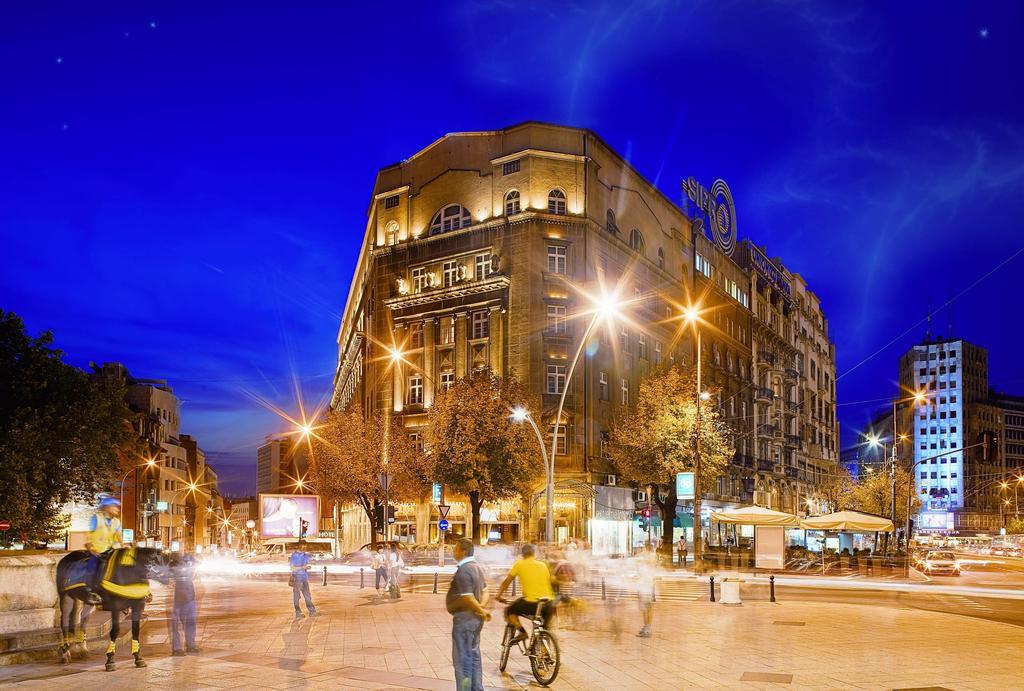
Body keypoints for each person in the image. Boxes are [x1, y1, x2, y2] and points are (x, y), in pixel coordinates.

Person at [446, 537, 490, 691]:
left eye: (455, 548)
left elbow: (468, 597)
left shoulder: (464, 570)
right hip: (475, 620)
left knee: (462, 660)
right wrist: (482, 608)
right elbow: (486, 591)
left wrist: (480, 609)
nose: (453, 551)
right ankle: (477, 688)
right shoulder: (477, 567)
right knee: (474, 656)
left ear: (462, 551)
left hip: (464, 619)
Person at [496, 544, 555, 644]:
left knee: (509, 610)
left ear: (522, 554)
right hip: (548, 603)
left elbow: (506, 582)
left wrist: (498, 595)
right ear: (533, 553)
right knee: (545, 629)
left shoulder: (519, 564)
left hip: (531, 603)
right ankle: (546, 654)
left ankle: (522, 632)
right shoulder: (542, 565)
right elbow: (549, 581)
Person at [84, 495, 123, 604]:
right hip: (97, 550)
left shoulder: (116, 521)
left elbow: (119, 536)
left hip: (110, 549)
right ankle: (90, 590)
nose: (117, 509)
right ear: (106, 507)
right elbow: (89, 534)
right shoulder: (96, 518)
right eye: (114, 507)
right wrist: (91, 548)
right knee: (94, 565)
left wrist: (124, 545)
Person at [170, 555, 200, 656]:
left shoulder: (190, 559)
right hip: (176, 598)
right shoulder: (172, 562)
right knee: (175, 624)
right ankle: (177, 648)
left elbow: (198, 563)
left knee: (191, 621)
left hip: (189, 596)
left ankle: (190, 644)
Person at [289, 540, 319, 618]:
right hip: (297, 578)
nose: (305, 548)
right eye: (303, 546)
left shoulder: (305, 555)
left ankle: (312, 611)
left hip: (304, 577)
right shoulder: (294, 556)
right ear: (299, 546)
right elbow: (292, 568)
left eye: (306, 547)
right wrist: (303, 567)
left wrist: (307, 567)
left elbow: (305, 565)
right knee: (297, 596)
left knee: (307, 595)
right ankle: (298, 612)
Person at [636, 543, 657, 638]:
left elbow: (639, 568)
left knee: (646, 608)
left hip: (645, 586)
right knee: (646, 608)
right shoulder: (652, 557)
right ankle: (646, 627)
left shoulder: (646, 557)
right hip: (648, 585)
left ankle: (647, 628)